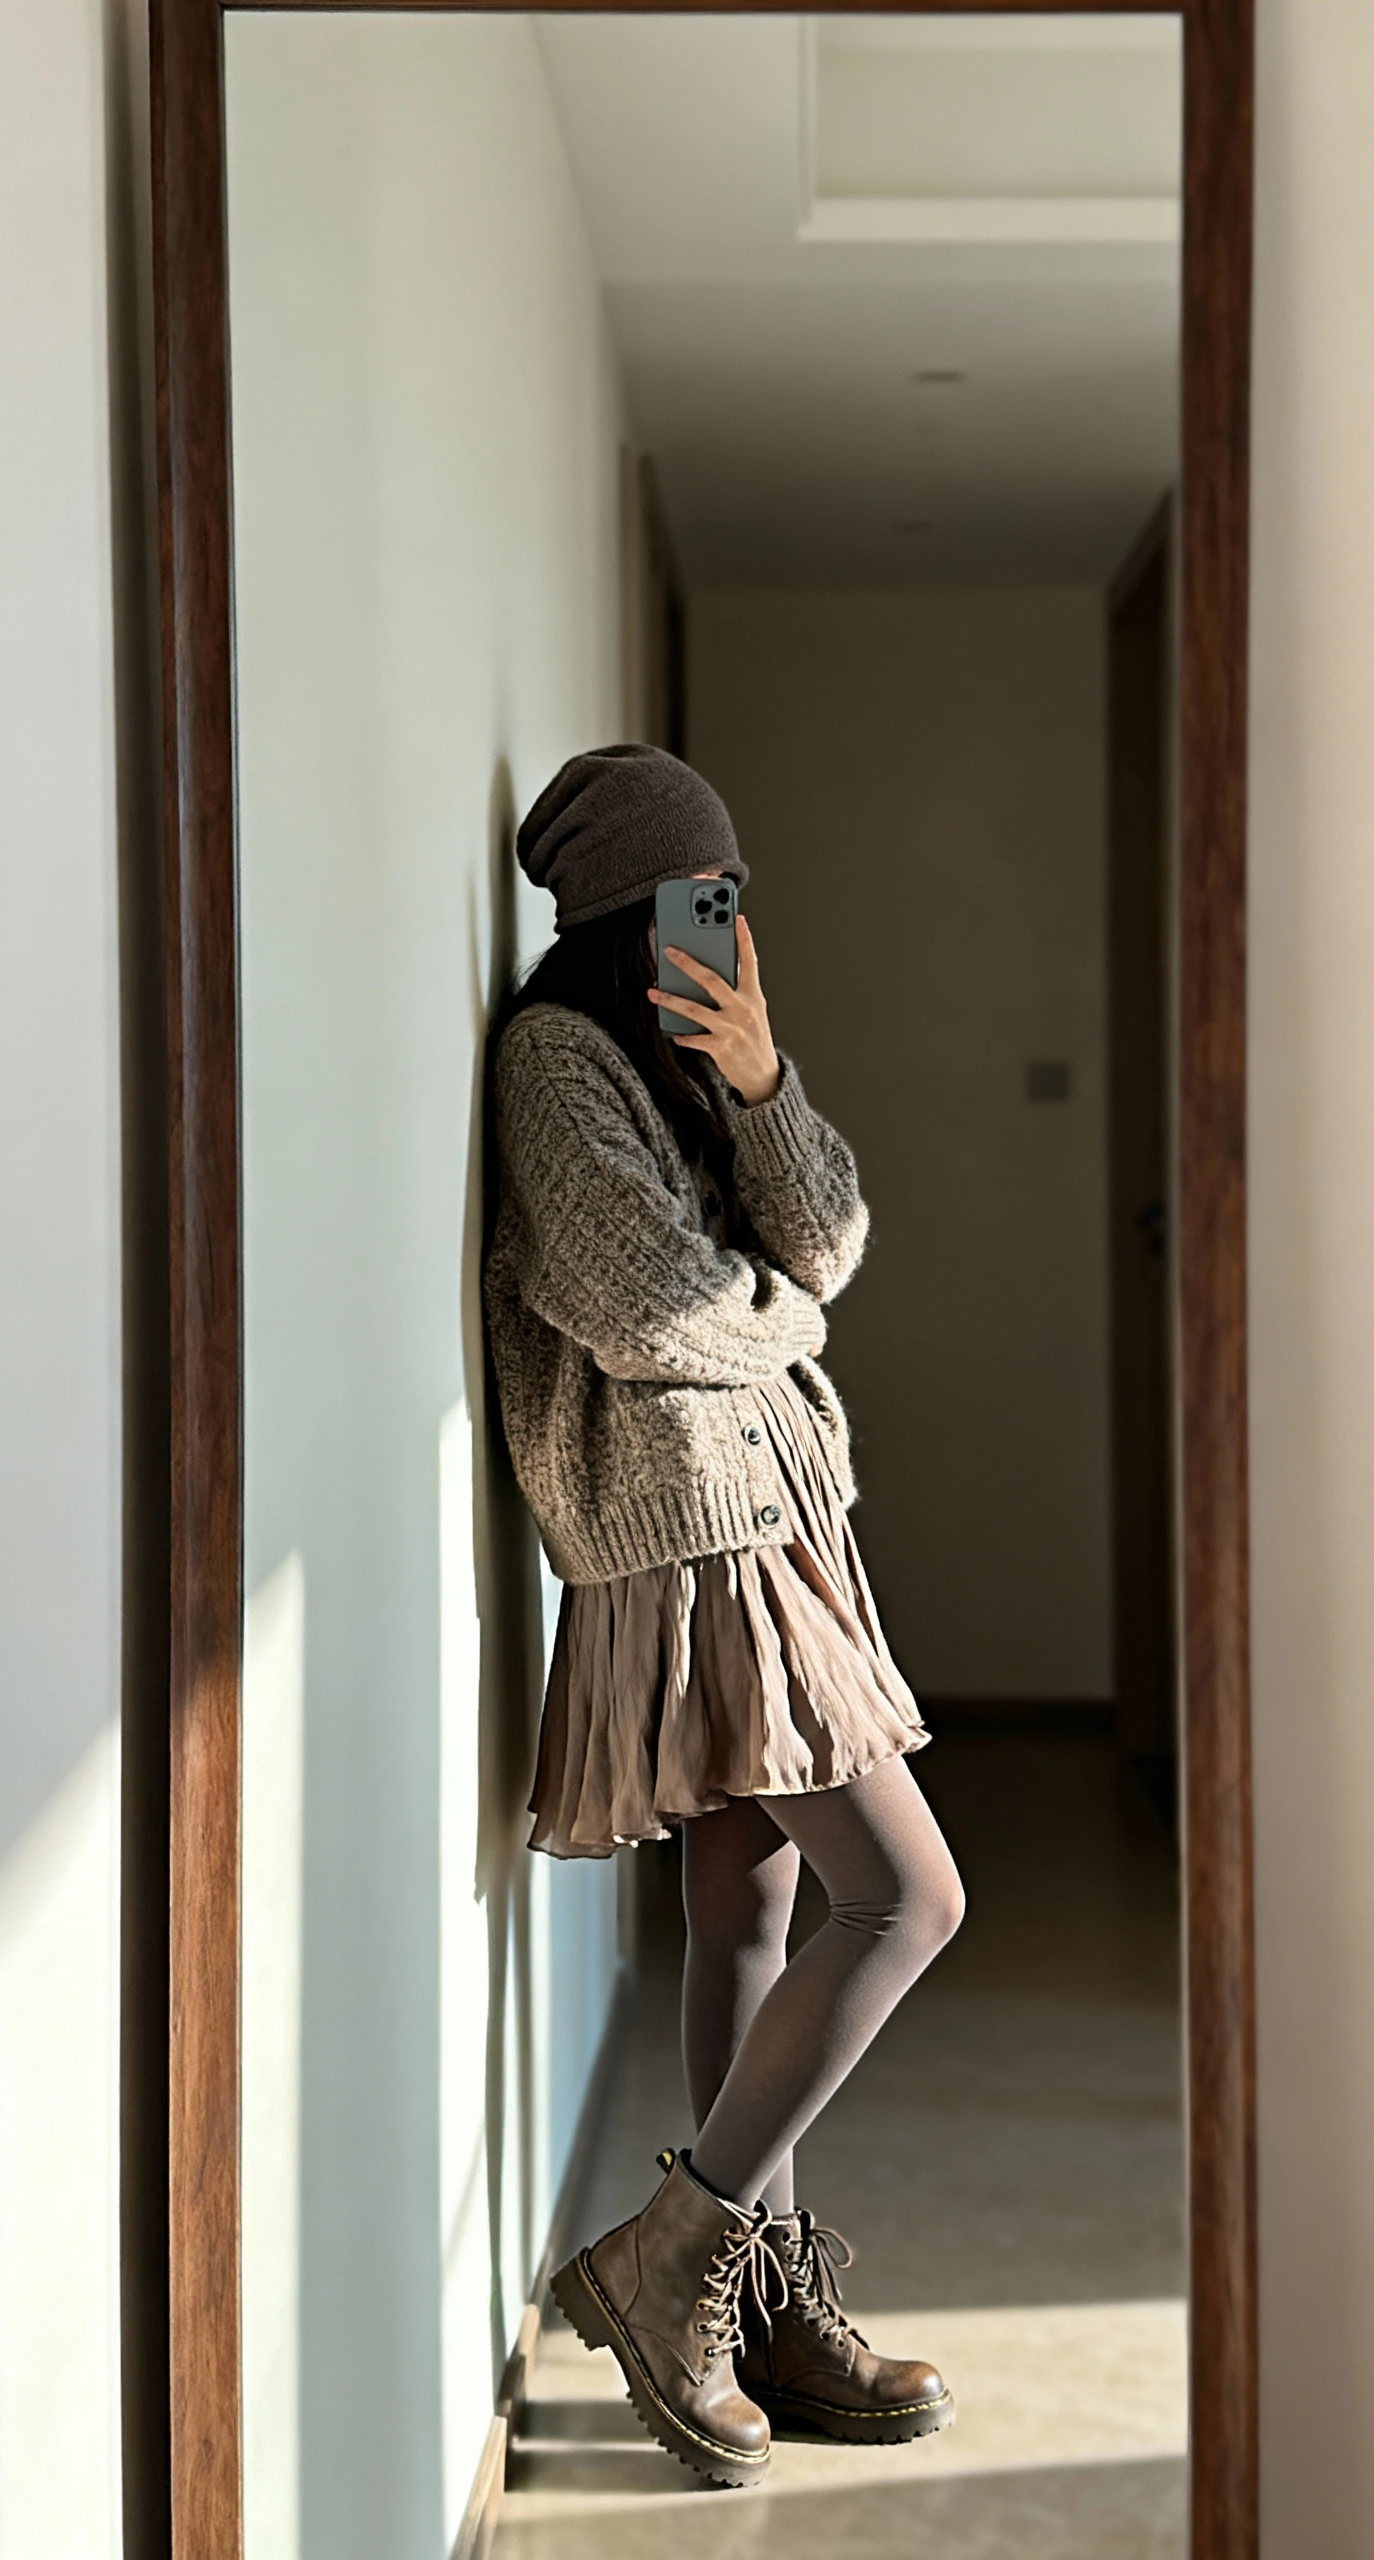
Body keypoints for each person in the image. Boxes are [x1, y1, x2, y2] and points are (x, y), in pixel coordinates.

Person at [484, 742, 965, 2490]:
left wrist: (761, 1081)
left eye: (733, 893)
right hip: (695, 1537)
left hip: (766, 1519)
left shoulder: (704, 1066)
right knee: (907, 1895)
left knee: (748, 1903)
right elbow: (645, 1307)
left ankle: (745, 2295)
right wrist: (783, 1311)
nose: (728, 922)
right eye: (699, 894)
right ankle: (671, 2255)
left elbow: (826, 1241)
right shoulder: (553, 1062)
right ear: (627, 909)